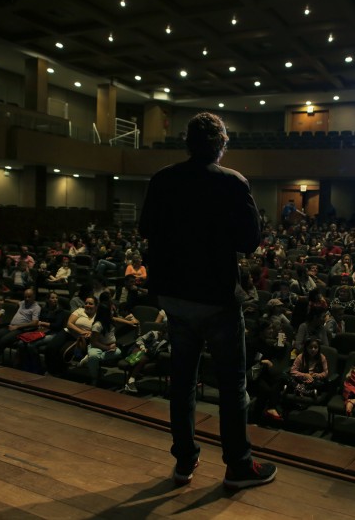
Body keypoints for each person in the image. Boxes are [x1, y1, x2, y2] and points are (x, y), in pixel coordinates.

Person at [139, 112, 276, 489]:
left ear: (188, 143)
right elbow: (249, 241)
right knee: (232, 386)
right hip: (215, 297)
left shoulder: (163, 179)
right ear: (221, 145)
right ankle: (238, 466)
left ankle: (184, 461)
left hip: (174, 296)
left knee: (182, 382)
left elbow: (146, 228)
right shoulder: (232, 182)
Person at [0, 288, 41, 363]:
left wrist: (17, 327)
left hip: (21, 330)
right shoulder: (23, 303)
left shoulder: (36, 308)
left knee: (3, 340)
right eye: (25, 297)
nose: (27, 299)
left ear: (34, 296)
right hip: (10, 326)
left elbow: (35, 322)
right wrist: (7, 300)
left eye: (29, 297)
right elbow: (18, 302)